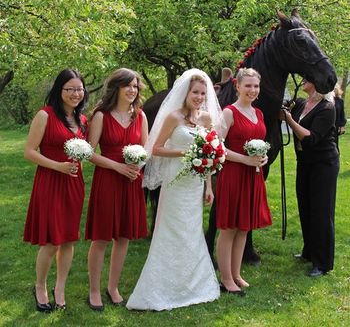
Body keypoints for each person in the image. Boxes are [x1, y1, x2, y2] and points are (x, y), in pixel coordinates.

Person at [126, 69, 224, 311]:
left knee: (192, 231)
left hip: (195, 183)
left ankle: (193, 284)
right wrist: (185, 153)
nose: (199, 97)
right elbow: (156, 149)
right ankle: (164, 286)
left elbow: (209, 155)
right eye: (195, 92)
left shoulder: (207, 120)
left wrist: (208, 186)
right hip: (175, 182)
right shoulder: (173, 117)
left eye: (203, 93)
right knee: (173, 230)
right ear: (186, 93)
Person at [23, 69, 89, 312]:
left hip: (73, 183)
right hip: (50, 181)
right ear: (59, 90)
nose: (75, 93)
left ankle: (60, 287)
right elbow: (29, 152)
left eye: (79, 89)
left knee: (69, 240)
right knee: (51, 241)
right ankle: (40, 286)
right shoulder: (45, 115)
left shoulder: (82, 120)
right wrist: (58, 166)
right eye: (70, 89)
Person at [85, 68, 148, 311]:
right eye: (128, 86)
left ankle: (113, 287)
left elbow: (146, 148)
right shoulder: (101, 115)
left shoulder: (140, 117)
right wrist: (117, 167)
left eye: (135, 86)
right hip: (108, 180)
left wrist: (136, 166)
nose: (132, 90)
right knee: (101, 237)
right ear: (117, 88)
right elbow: (89, 153)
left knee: (123, 237)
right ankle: (93, 290)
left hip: (131, 181)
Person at [215, 68, 271, 294]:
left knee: (243, 227)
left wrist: (263, 156)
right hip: (233, 175)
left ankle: (237, 274)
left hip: (253, 175)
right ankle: (226, 278)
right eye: (248, 85)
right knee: (229, 228)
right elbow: (217, 147)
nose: (252, 90)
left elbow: (259, 140)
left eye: (256, 86)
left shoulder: (259, 114)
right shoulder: (228, 113)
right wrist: (244, 160)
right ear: (237, 86)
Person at [280, 78, 339, 277]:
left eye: (307, 78)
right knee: (305, 206)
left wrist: (289, 120)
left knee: (321, 212)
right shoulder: (303, 103)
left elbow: (310, 137)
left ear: (317, 83)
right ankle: (309, 252)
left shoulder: (327, 108)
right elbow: (286, 113)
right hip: (305, 163)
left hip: (324, 164)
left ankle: (322, 263)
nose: (303, 79)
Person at [333, 83, 347, 151]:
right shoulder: (326, 100)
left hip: (335, 127)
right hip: (326, 125)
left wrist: (342, 126)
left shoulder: (340, 101)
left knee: (335, 146)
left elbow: (342, 114)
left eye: (335, 88)